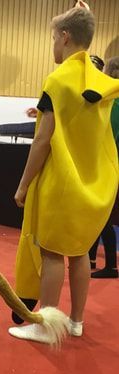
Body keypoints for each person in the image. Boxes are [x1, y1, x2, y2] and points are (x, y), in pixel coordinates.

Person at [9, 6, 119, 343]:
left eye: (54, 36)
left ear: (65, 36)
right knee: (80, 252)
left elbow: (43, 139)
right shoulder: (102, 82)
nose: (53, 43)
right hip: (94, 184)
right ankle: (75, 322)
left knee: (53, 252)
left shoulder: (58, 80)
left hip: (62, 182)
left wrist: (24, 184)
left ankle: (46, 325)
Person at [89, 56, 119, 279]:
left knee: (102, 217)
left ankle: (110, 266)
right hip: (109, 163)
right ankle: (90, 259)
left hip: (107, 164)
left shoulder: (110, 101)